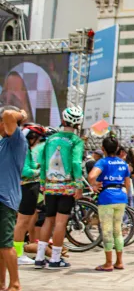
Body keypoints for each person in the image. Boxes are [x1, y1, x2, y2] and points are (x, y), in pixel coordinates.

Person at [34, 106, 85, 270]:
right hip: (67, 186)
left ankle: (40, 257)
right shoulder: (77, 141)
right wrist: (79, 185)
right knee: (61, 222)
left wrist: (43, 183)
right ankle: (55, 258)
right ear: (78, 124)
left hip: (49, 185)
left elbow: (43, 162)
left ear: (63, 120)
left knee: (48, 220)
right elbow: (77, 163)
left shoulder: (50, 139)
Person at [88, 135, 131, 271]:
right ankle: (119, 262)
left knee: (107, 231)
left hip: (106, 198)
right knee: (117, 230)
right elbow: (127, 184)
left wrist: (94, 185)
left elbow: (91, 176)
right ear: (117, 148)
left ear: (103, 149)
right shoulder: (123, 163)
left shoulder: (102, 162)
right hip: (120, 198)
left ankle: (108, 263)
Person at [0, 106, 27, 291]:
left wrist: (22, 115)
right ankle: (1, 284)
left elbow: (9, 115)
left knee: (5, 244)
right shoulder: (4, 144)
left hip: (5, 199)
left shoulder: (16, 141)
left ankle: (15, 285)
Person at [14, 124, 46, 266]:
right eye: (37, 139)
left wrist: (38, 167)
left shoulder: (24, 148)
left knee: (23, 222)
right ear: (31, 138)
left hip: (28, 188)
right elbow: (25, 171)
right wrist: (40, 172)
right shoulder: (23, 148)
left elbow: (31, 165)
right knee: (22, 223)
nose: (38, 142)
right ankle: (18, 254)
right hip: (27, 187)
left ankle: (18, 252)